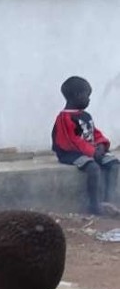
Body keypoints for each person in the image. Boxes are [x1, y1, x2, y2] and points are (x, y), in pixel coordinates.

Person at [52, 75, 120, 217]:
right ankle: (94, 205)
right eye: (87, 96)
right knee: (93, 168)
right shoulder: (64, 118)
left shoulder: (86, 115)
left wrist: (101, 145)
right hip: (71, 154)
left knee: (114, 164)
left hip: (90, 151)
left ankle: (109, 201)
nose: (89, 100)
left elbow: (95, 133)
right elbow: (71, 141)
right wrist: (92, 152)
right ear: (77, 95)